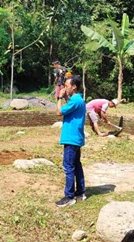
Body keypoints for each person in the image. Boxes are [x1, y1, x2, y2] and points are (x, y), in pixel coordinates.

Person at [55, 76, 86, 207]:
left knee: (68, 167)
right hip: (76, 138)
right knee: (76, 165)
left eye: (67, 86)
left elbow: (59, 112)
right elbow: (69, 107)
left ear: (74, 87)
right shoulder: (77, 100)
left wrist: (59, 98)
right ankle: (80, 192)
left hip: (71, 138)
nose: (65, 88)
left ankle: (69, 196)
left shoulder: (76, 100)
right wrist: (65, 97)